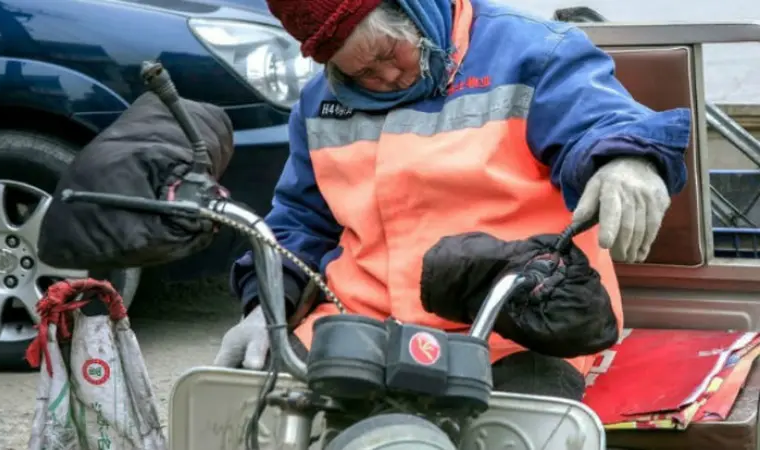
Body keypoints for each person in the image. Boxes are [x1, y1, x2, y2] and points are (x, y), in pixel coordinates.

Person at [214, 0, 690, 401]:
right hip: (357, 324)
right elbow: (300, 222)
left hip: (513, 328)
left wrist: (626, 160)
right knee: (265, 413)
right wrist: (266, 309)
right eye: (359, 73)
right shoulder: (318, 104)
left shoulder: (535, 55)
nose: (383, 77)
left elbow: (599, 121)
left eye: (386, 54)